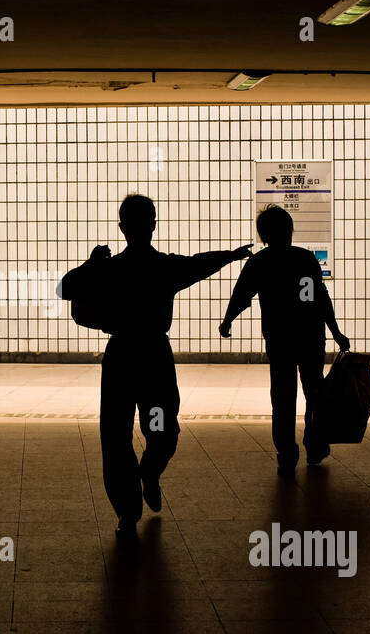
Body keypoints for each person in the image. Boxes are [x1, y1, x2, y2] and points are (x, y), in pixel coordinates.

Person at [58, 194, 251, 540]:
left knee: (116, 436)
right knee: (162, 428)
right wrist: (232, 256)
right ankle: (149, 471)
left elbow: (64, 289)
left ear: (122, 227)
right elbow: (198, 264)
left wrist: (91, 264)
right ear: (153, 225)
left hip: (120, 359)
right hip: (154, 359)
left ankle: (127, 512)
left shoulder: (109, 269)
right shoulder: (164, 267)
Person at [219, 205, 350, 477]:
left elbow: (242, 294)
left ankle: (286, 453)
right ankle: (315, 445)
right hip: (311, 337)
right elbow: (320, 299)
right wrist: (336, 332)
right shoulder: (305, 259)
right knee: (314, 392)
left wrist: (228, 320)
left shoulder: (259, 262)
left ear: (263, 235)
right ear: (290, 231)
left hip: (279, 339)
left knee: (282, 397)